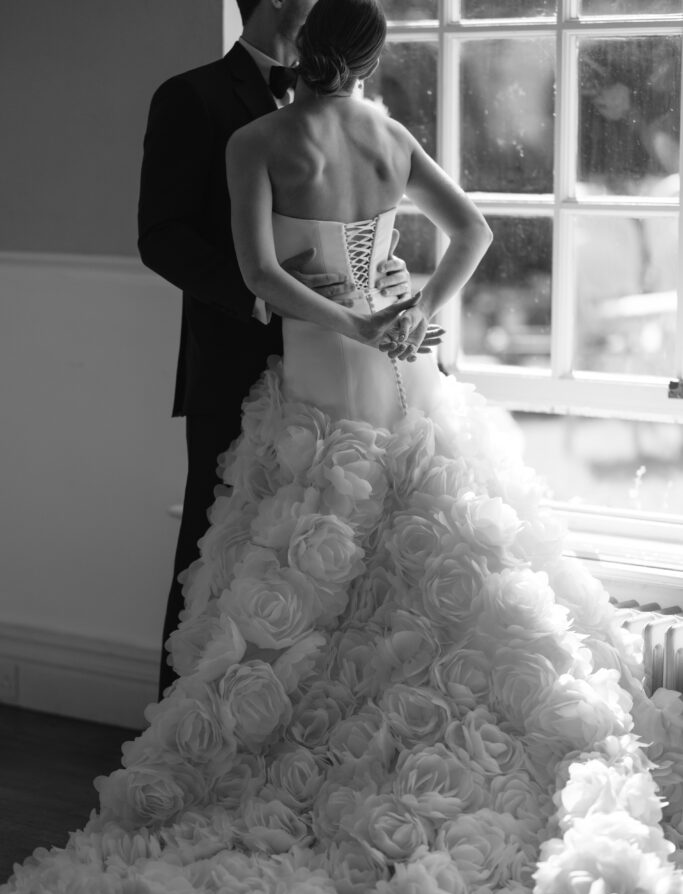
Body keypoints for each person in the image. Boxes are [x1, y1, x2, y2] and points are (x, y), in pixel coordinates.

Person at [3, 0, 683, 894]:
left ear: (301, 44)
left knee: (292, 559)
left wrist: (349, 321)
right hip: (400, 368)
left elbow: (259, 272)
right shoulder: (390, 133)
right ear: (371, 57)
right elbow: (475, 228)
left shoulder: (255, 138)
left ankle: (278, 752)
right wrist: (403, 310)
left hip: (322, 364)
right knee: (412, 556)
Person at [138, 0, 423, 701]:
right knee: (219, 556)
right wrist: (262, 288)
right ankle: (183, 729)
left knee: (348, 549)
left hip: (344, 364)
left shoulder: (349, 97)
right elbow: (162, 236)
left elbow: (357, 208)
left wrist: (386, 270)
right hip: (237, 361)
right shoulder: (190, 97)